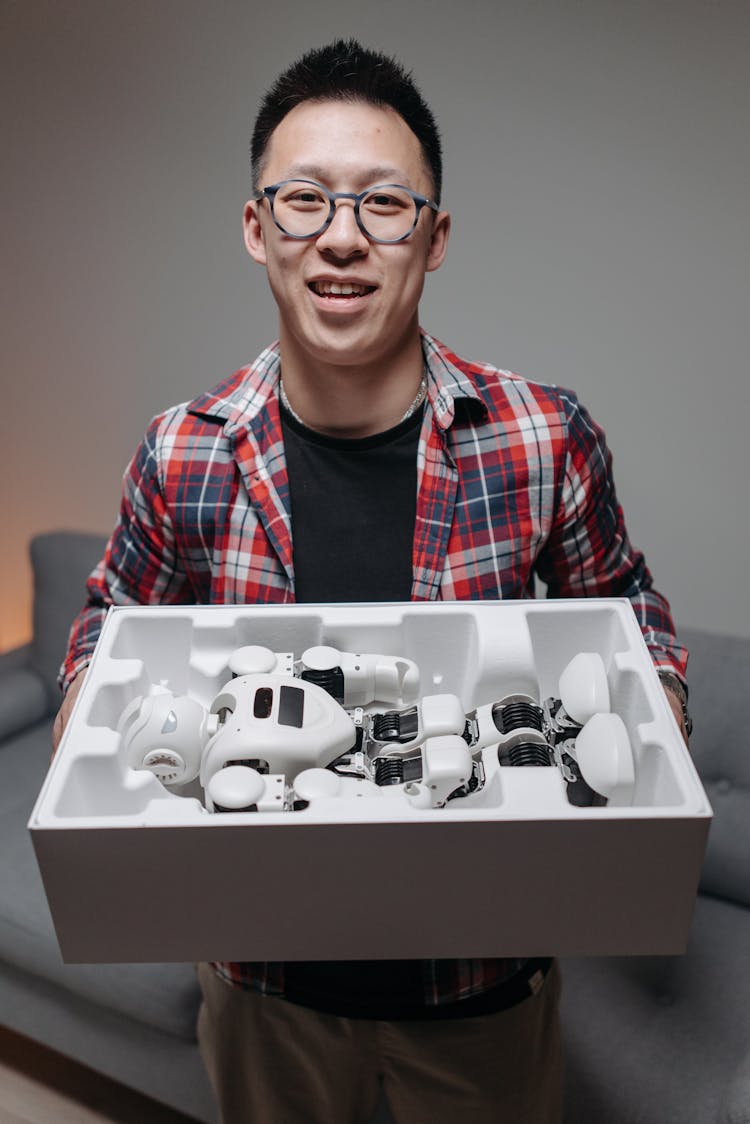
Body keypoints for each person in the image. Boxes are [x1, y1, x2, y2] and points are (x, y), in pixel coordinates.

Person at [54, 39, 691, 1124]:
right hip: (263, 984)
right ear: (257, 228)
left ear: (433, 238)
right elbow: (108, 621)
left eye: (385, 205)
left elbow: (633, 612)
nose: (340, 237)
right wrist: (94, 750)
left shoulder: (543, 436)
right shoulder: (184, 450)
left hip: (482, 983)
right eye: (304, 200)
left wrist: (645, 732)